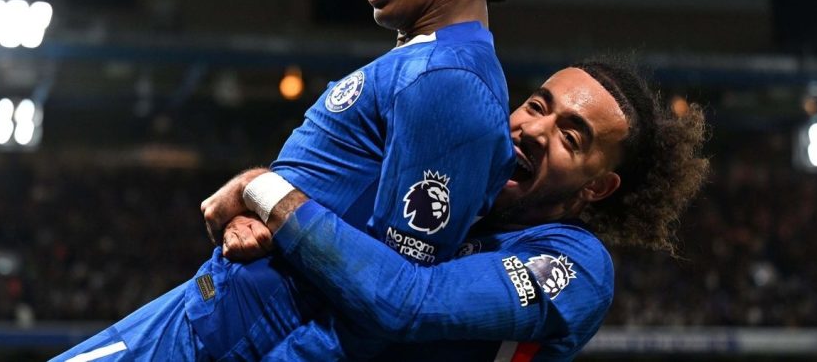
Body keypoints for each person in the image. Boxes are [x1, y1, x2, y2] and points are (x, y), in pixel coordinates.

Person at [51, 0, 539, 362]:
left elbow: (386, 300)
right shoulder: (421, 65)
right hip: (206, 315)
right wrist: (254, 203)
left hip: (232, 341)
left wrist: (260, 192)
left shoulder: (450, 81)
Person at [223, 60, 711, 360]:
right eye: (537, 106)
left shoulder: (576, 265)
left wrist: (265, 192)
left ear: (598, 187)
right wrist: (261, 230)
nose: (534, 131)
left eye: (569, 136)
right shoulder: (454, 197)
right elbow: (327, 243)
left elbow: (405, 304)